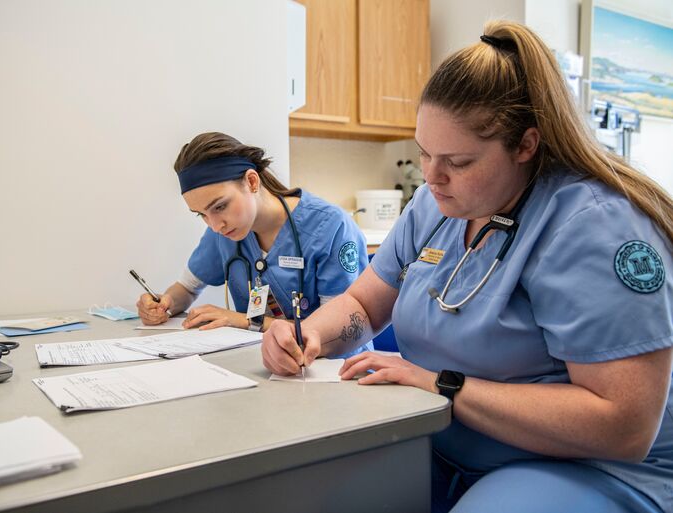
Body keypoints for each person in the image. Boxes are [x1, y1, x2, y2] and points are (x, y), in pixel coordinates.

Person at [261, 20, 673, 513]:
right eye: (424, 154)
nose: (432, 177)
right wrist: (308, 336)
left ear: (526, 145)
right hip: (442, 437)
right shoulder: (434, 206)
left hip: (587, 468)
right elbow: (364, 304)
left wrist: (441, 384)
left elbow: (623, 426)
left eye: (457, 161)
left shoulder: (596, 227)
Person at [137, 132, 372, 357]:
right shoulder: (224, 232)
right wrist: (163, 304)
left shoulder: (331, 227)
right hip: (267, 366)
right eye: (202, 214)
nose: (215, 225)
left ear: (251, 181)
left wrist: (246, 321)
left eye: (219, 206)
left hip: (336, 370)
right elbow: (186, 289)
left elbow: (333, 331)